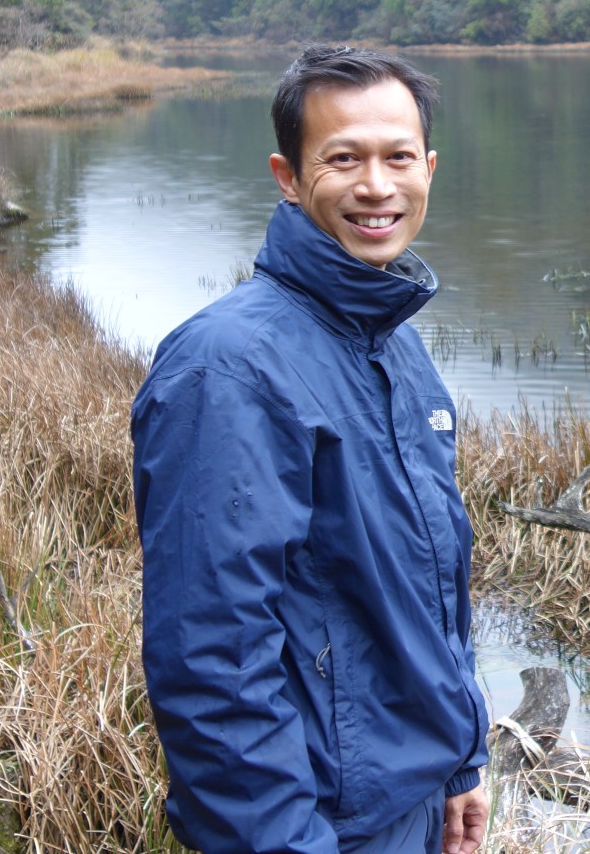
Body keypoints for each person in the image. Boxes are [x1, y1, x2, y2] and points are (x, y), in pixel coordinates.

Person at [131, 45, 490, 854]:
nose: (375, 185)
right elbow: (213, 660)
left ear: (427, 167)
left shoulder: (396, 349)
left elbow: (431, 587)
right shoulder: (226, 367)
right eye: (342, 158)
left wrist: (461, 761)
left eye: (397, 157)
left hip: (411, 799)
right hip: (318, 826)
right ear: (287, 176)